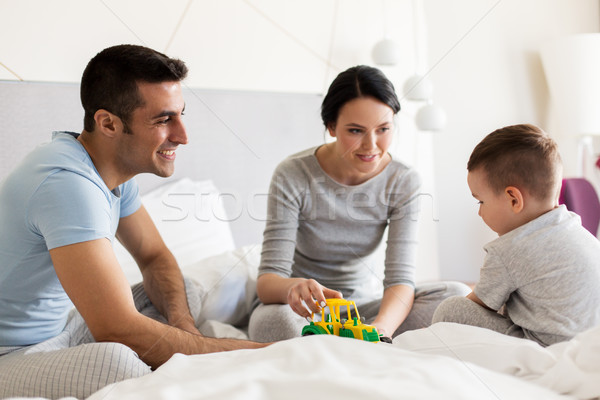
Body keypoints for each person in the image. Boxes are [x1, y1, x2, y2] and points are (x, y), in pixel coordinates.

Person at [0, 44, 266, 399]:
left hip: (63, 329)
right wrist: (260, 355)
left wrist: (186, 327)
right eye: (163, 119)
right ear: (108, 123)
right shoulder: (67, 184)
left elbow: (154, 257)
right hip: (12, 354)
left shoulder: (109, 171)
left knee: (180, 290)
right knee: (117, 363)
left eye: (181, 115)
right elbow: (116, 328)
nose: (183, 135)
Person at [248, 65, 470, 342]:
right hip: (299, 310)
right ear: (331, 127)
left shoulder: (403, 180)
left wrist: (381, 329)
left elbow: (400, 280)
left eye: (383, 129)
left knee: (456, 296)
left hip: (361, 310)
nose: (371, 145)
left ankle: (348, 342)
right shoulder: (294, 174)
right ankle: (329, 343)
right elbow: (268, 281)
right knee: (278, 324)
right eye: (355, 130)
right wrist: (294, 287)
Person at [432, 124, 600, 346]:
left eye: (480, 201)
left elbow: (477, 305)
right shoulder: (575, 228)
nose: (480, 211)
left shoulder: (508, 250)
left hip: (543, 350)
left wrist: (432, 329)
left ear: (513, 199)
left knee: (451, 309)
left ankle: (433, 339)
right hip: (588, 344)